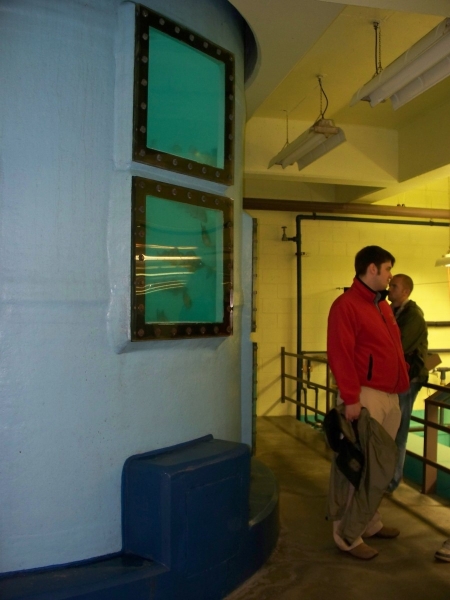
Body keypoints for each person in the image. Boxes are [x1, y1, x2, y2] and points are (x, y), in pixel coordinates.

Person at [326, 246, 409, 560]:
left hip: (389, 395)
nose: (390, 276)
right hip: (365, 395)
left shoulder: (382, 307)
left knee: (380, 467)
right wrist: (350, 399)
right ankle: (347, 536)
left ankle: (369, 522)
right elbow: (340, 354)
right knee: (356, 467)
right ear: (372, 269)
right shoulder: (346, 305)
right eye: (387, 269)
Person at [386, 274, 428, 493]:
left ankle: (393, 480)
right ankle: (389, 477)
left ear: (406, 292)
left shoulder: (412, 316)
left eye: (394, 286)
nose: (389, 288)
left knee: (399, 429)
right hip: (397, 377)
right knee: (391, 428)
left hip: (408, 379)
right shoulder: (394, 311)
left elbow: (397, 346)